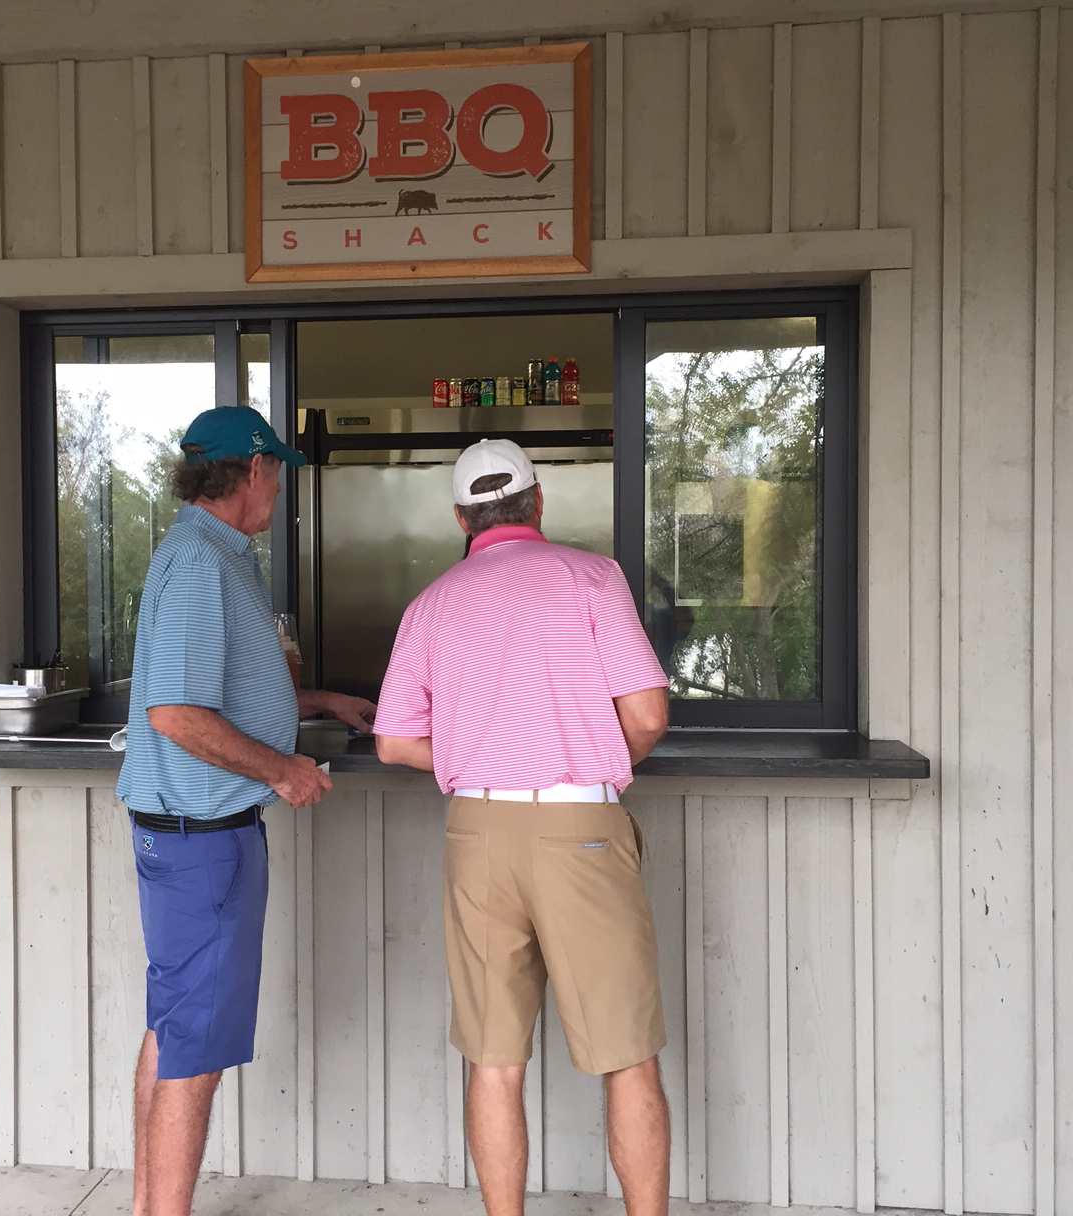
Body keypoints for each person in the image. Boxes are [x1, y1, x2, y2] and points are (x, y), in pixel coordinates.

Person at [373, 439, 673, 1216]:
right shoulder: (592, 577)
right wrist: (588, 752)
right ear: (538, 502)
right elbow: (647, 716)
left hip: (475, 834)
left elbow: (394, 741)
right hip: (579, 828)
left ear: (461, 519)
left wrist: (480, 749)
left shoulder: (429, 604)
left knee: (493, 1059)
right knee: (626, 1054)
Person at [116, 404, 375, 1216]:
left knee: (174, 1028)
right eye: (278, 473)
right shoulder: (201, 562)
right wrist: (282, 770)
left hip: (188, 840)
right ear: (253, 470)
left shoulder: (214, 553)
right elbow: (176, 713)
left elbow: (218, 690)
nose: (281, 489)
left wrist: (316, 700)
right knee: (193, 1048)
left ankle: (146, 1207)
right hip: (204, 845)